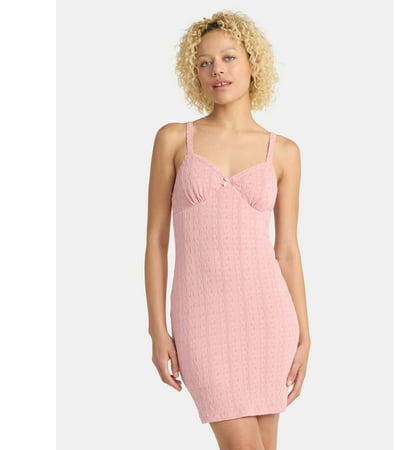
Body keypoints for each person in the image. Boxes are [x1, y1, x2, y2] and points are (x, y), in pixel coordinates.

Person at [145, 10, 311, 449]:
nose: (217, 69)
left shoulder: (284, 152)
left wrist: (305, 335)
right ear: (195, 74)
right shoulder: (174, 139)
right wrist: (157, 329)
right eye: (204, 62)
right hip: (200, 319)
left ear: (253, 63)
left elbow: (287, 251)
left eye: (228, 57)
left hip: (269, 317)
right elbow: (156, 241)